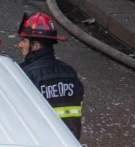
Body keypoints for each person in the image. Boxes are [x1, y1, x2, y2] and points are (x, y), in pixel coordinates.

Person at [18, 11, 85, 139]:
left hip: (39, 145)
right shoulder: (70, 72)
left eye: (23, 41)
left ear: (36, 46)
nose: (20, 45)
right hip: (69, 144)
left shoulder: (25, 75)